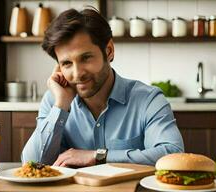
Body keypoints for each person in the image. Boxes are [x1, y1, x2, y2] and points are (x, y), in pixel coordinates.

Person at [21, 7, 184, 167]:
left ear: (109, 51)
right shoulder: (54, 101)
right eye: (67, 63)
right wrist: (60, 106)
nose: (77, 74)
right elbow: (31, 164)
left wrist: (98, 156)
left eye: (86, 58)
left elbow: (172, 154)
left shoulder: (148, 100)